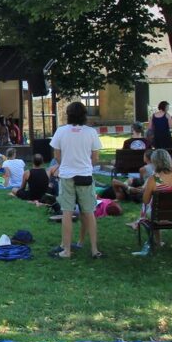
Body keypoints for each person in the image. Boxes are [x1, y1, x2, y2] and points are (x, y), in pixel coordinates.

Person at [49, 102, 102, 259]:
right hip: (85, 174)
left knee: (67, 212)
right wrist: (85, 165)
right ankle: (94, 249)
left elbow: (57, 156)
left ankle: (66, 249)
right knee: (89, 212)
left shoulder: (61, 131)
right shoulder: (91, 132)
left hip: (66, 176)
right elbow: (96, 157)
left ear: (69, 114)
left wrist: (66, 164)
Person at [132, 149, 172, 254]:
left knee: (147, 206)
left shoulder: (154, 179)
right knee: (156, 207)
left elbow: (145, 200)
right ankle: (158, 239)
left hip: (158, 216)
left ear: (154, 162)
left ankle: (157, 240)